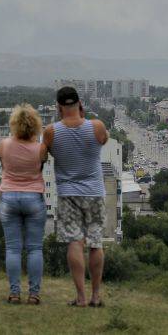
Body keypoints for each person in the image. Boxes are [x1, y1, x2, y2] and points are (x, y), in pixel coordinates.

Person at [43, 86, 109, 308]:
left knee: (74, 242)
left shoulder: (51, 131)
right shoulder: (97, 126)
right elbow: (104, 140)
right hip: (94, 192)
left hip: (68, 193)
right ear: (80, 103)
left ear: (58, 106)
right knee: (95, 242)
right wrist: (83, 117)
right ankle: (96, 295)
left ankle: (80, 297)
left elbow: (45, 154)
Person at [0, 104, 48, 305]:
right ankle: (34, 294)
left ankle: (14, 292)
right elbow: (40, 167)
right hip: (34, 197)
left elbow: (4, 166)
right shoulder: (40, 148)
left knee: (13, 249)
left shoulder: (4, 145)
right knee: (35, 248)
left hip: (9, 197)